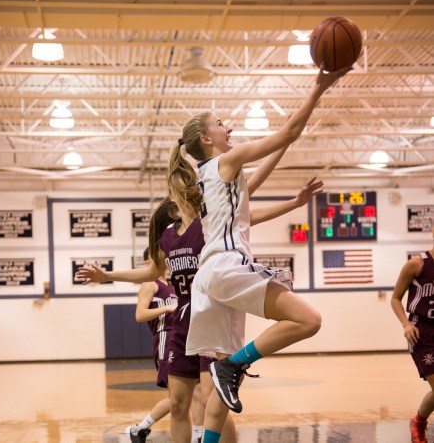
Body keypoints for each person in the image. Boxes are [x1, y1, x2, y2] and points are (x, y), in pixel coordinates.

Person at [169, 64, 351, 442]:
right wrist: (319, 88)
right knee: (308, 320)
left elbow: (250, 201)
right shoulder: (225, 161)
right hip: (226, 267)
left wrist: (294, 200)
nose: (229, 127)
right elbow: (289, 131)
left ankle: (224, 388)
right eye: (221, 123)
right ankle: (234, 366)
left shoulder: (209, 175)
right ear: (206, 138)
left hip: (210, 278)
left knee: (219, 391)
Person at [78, 182, 322, 443]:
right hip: (182, 323)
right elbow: (151, 271)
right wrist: (107, 276)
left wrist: (295, 203)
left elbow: (249, 216)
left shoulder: (209, 226)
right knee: (177, 403)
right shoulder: (168, 237)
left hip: (210, 315)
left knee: (210, 400)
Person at [123, 246, 177, 442]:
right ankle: (139, 428)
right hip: (165, 338)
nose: (164, 257)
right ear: (148, 263)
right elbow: (140, 315)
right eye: (159, 255)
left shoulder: (172, 284)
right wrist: (167, 309)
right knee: (179, 396)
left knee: (187, 395)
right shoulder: (150, 284)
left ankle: (139, 429)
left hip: (179, 339)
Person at [391, 226, 434, 443]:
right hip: (421, 331)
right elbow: (395, 298)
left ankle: (418, 421)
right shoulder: (417, 264)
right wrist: (406, 324)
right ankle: (419, 423)